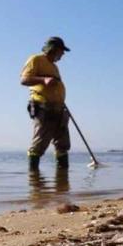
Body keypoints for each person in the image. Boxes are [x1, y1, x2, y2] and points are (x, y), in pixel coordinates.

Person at [21, 36, 71, 170]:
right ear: (53, 49)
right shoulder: (36, 59)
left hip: (59, 109)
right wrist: (43, 80)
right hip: (43, 108)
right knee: (39, 144)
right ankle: (34, 180)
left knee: (62, 144)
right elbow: (24, 80)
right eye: (61, 51)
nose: (63, 54)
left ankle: (62, 183)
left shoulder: (54, 67)